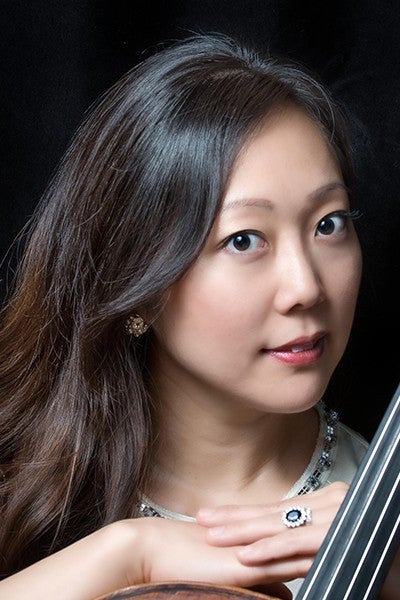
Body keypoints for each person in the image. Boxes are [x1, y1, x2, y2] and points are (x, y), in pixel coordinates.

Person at [0, 33, 396, 599]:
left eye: (328, 224)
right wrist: (131, 553)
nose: (306, 287)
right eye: (244, 239)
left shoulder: (385, 530)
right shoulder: (19, 476)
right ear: (138, 286)